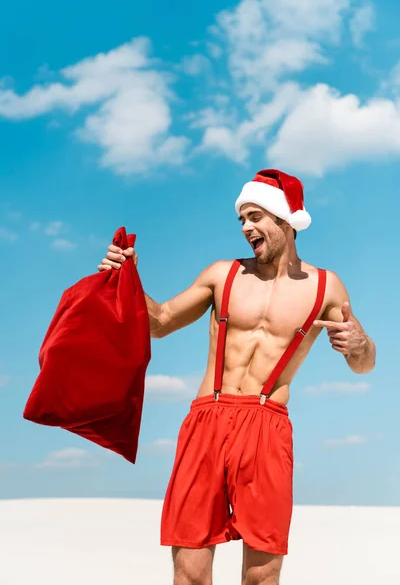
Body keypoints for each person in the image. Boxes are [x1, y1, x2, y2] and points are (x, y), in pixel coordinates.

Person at [98, 169, 376, 585]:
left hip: (267, 425)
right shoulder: (222, 274)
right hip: (207, 419)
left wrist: (359, 343)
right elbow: (160, 321)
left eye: (255, 217)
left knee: (262, 576)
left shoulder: (327, 286)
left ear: (284, 220)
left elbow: (363, 364)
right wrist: (128, 276)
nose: (246, 227)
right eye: (242, 219)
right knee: (188, 571)